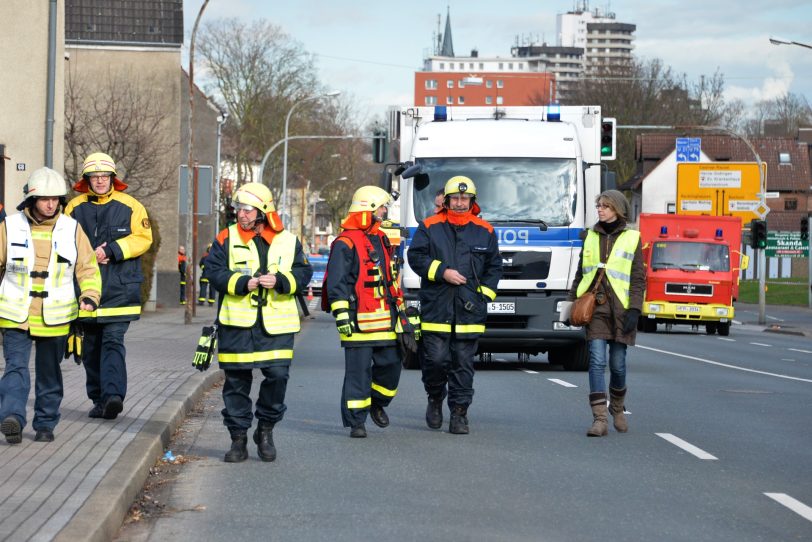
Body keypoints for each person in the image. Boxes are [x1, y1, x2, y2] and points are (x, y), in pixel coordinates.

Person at [204, 182, 312, 462]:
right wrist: (242, 282)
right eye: (238, 209)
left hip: (276, 326)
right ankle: (238, 439)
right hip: (237, 325)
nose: (241, 214)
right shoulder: (225, 238)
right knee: (236, 383)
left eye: (247, 210)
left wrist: (281, 281)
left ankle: (265, 430)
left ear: (263, 211)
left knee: (277, 377)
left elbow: (303, 272)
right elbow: (213, 271)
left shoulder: (289, 240)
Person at [0, 168, 101, 444]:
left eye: (55, 199)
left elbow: (88, 268)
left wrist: (89, 296)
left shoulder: (72, 228)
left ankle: (45, 423)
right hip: (14, 314)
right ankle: (12, 419)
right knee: (15, 369)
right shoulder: (9, 226)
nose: (50, 204)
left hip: (55, 316)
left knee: (49, 374)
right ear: (31, 199)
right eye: (44, 199)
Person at [407, 176, 502, 434]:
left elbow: (494, 267)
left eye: (465, 198)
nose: (460, 203)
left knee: (463, 364)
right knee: (435, 361)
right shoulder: (430, 226)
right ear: (447, 200)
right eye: (456, 198)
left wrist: (484, 295)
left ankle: (459, 414)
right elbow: (415, 257)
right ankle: (435, 398)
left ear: (473, 201)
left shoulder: (485, 230)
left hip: (469, 310)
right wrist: (442, 272)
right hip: (437, 307)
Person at [64, 152, 153, 421]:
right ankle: (99, 399)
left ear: (113, 178)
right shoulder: (74, 208)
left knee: (113, 342)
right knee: (91, 348)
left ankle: (113, 396)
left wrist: (112, 250)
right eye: (95, 177)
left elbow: (143, 238)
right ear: (86, 180)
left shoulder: (132, 206)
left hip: (119, 291)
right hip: (86, 293)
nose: (100, 181)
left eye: (105, 176)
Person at [324, 185, 406, 438]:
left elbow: (390, 279)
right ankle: (356, 422)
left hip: (386, 319)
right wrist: (342, 315)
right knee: (357, 375)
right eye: (381, 207)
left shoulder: (381, 238)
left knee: (392, 366)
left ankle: (378, 403)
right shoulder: (345, 242)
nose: (384, 212)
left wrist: (402, 312)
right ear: (369, 209)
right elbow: (336, 283)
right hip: (358, 321)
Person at [568, 189, 645, 437]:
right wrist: (571, 304)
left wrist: (635, 308)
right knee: (597, 362)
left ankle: (618, 408)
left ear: (617, 209)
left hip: (622, 310)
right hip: (596, 308)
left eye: (605, 206)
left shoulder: (633, 238)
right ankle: (599, 418)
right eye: (598, 205)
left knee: (618, 365)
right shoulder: (590, 236)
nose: (600, 209)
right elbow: (581, 273)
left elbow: (637, 279)